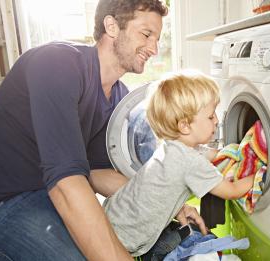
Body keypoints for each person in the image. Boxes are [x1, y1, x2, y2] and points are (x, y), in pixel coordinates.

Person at [0, 1, 207, 260]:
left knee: (166, 238)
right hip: (4, 205)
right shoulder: (56, 64)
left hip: (52, 196)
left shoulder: (118, 96)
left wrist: (168, 206)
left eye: (157, 38)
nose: (154, 48)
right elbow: (66, 184)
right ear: (111, 26)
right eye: (146, 34)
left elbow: (97, 173)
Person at [104, 70, 255, 260]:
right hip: (126, 237)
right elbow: (231, 191)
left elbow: (215, 155)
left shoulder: (172, 147)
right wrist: (258, 174)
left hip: (112, 214)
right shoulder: (190, 161)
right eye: (210, 116)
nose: (217, 120)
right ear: (184, 126)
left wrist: (239, 152)